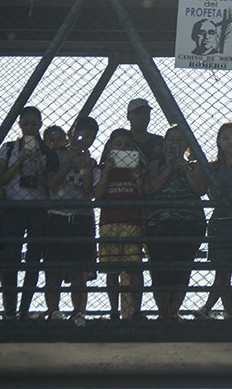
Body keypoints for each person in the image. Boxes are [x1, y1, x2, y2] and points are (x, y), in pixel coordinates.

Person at [143, 125, 207, 320]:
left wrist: (184, 167)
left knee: (182, 268)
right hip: (159, 221)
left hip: (189, 221)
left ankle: (173, 312)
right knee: (160, 269)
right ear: (164, 143)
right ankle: (163, 314)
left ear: (186, 144)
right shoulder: (156, 163)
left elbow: (200, 188)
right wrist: (168, 169)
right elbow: (150, 188)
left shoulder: (195, 165)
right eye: (171, 139)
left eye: (180, 140)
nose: (175, 143)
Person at [0, 106, 47, 319]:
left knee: (33, 258)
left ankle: (25, 309)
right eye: (26, 123)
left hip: (38, 208)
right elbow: (2, 179)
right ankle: (10, 308)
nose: (30, 127)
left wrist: (37, 164)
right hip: (14, 206)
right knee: (11, 258)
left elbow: (51, 182)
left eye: (34, 124)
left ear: (40, 125)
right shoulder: (8, 148)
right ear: (20, 124)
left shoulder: (47, 149)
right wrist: (20, 161)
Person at [195, 122, 232, 321]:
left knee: (226, 268)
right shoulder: (213, 166)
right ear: (219, 141)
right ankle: (228, 312)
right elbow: (210, 191)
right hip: (221, 218)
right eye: (226, 137)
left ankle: (210, 308)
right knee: (222, 267)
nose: (230, 142)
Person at [43, 116, 98, 325]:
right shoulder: (55, 154)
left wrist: (87, 168)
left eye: (89, 136)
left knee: (79, 269)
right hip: (57, 215)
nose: (83, 139)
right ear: (72, 134)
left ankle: (79, 312)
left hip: (80, 218)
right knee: (54, 268)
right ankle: (53, 310)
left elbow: (87, 192)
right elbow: (52, 183)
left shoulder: (89, 160)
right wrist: (68, 161)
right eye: (80, 134)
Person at [95, 129, 144, 321]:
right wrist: (107, 170)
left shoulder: (137, 170)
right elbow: (97, 195)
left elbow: (141, 196)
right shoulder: (101, 169)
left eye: (127, 145)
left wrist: (138, 177)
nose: (123, 148)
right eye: (118, 145)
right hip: (110, 221)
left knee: (134, 269)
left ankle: (137, 310)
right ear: (110, 148)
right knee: (112, 270)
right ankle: (114, 310)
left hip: (132, 221)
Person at [127, 98, 164, 167]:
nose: (142, 116)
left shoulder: (159, 141)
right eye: (137, 113)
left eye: (146, 113)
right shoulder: (121, 141)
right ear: (128, 116)